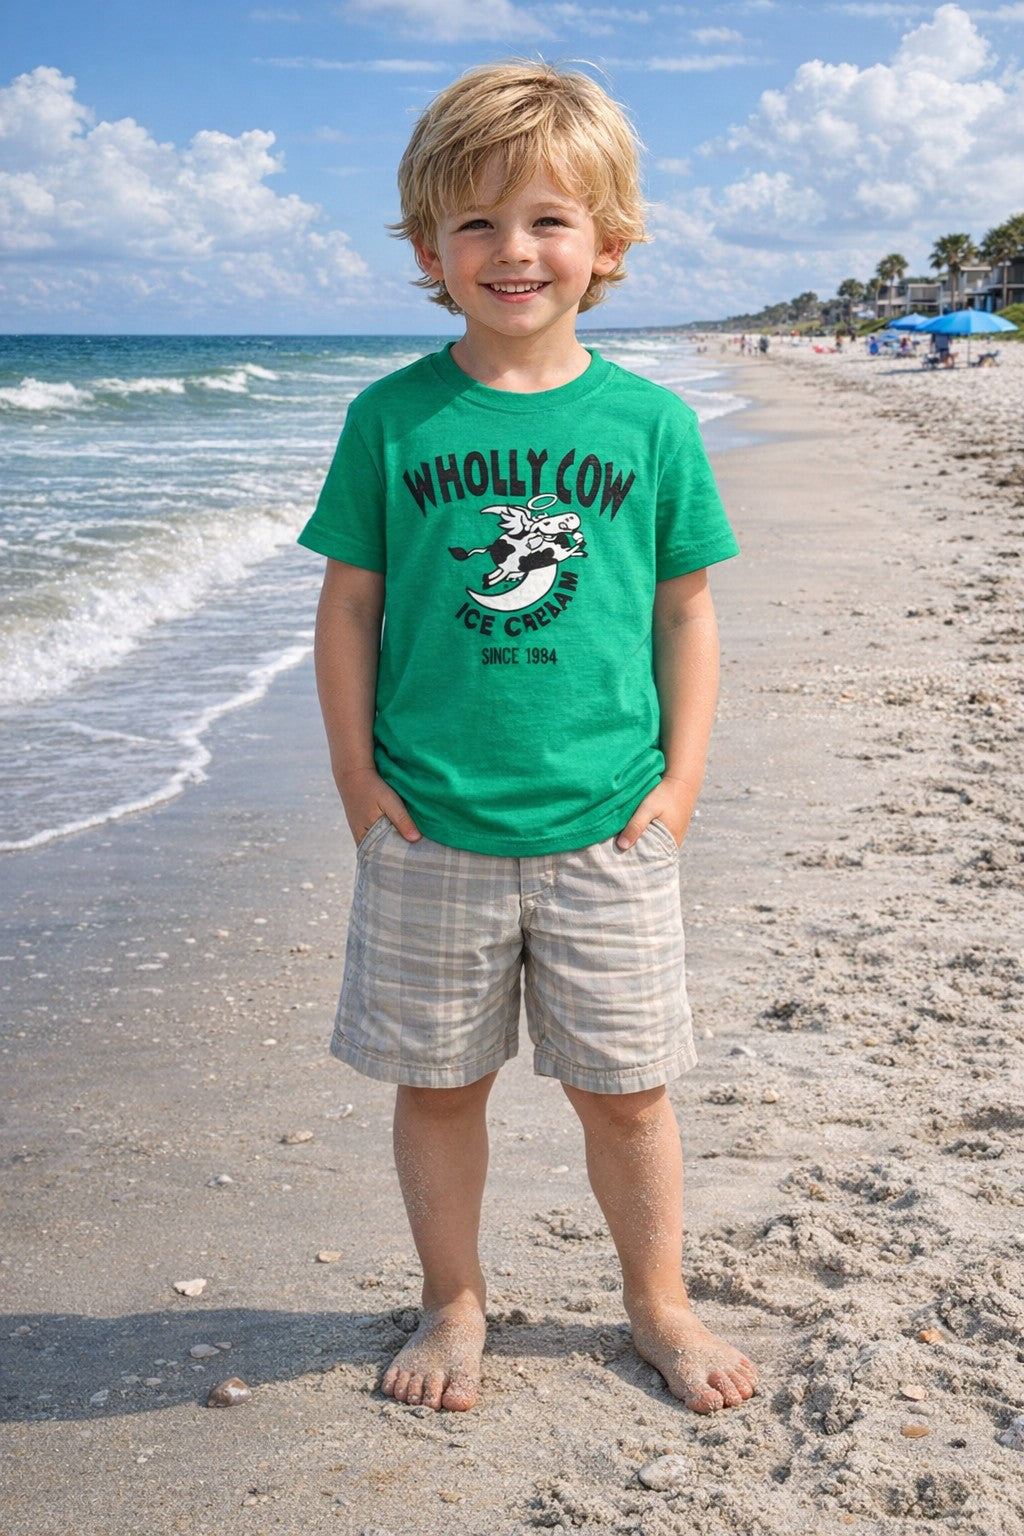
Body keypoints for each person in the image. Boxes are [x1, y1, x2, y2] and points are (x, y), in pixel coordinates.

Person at [298, 60, 757, 1419]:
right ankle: (455, 1299)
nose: (514, 251)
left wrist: (677, 786)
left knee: (628, 1094)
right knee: (440, 1086)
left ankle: (657, 1302)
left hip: (609, 828)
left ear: (608, 244)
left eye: (549, 220)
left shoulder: (649, 424)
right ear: (430, 247)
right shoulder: (392, 419)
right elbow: (351, 607)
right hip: (428, 826)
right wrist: (357, 782)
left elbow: (685, 613)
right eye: (478, 224)